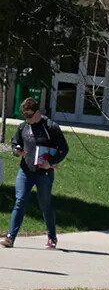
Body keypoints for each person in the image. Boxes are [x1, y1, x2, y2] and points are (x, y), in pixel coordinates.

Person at [1, 97, 70, 250]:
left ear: (38, 112)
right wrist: (16, 151)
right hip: (25, 171)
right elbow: (14, 143)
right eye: (25, 116)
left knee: (45, 204)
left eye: (30, 115)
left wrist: (51, 162)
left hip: (43, 173)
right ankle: (10, 237)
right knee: (20, 201)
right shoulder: (23, 127)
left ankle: (52, 237)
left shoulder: (51, 127)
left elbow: (64, 148)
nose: (28, 119)